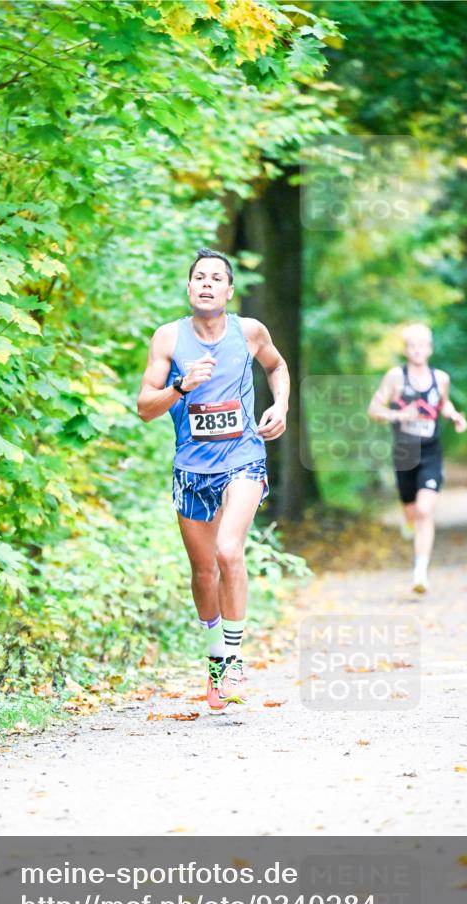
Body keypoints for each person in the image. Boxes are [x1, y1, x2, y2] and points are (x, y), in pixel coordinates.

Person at [137, 248, 289, 710]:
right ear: (189, 288)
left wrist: (280, 405)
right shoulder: (168, 338)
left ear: (229, 290)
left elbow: (277, 366)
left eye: (216, 278)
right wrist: (181, 386)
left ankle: (235, 661)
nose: (206, 283)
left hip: (243, 456)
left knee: (228, 550)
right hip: (191, 467)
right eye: (199, 277)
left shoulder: (249, 332)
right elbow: (144, 408)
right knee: (204, 572)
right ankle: (216, 659)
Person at [367, 322, 467, 593]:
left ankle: (420, 571)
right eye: (412, 346)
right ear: (406, 349)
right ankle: (409, 521)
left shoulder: (441, 378)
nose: (417, 350)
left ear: (430, 349)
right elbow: (374, 409)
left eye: (422, 345)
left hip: (431, 452)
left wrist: (454, 415)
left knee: (425, 510)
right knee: (411, 512)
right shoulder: (395, 378)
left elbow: (443, 402)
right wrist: (399, 414)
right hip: (405, 453)